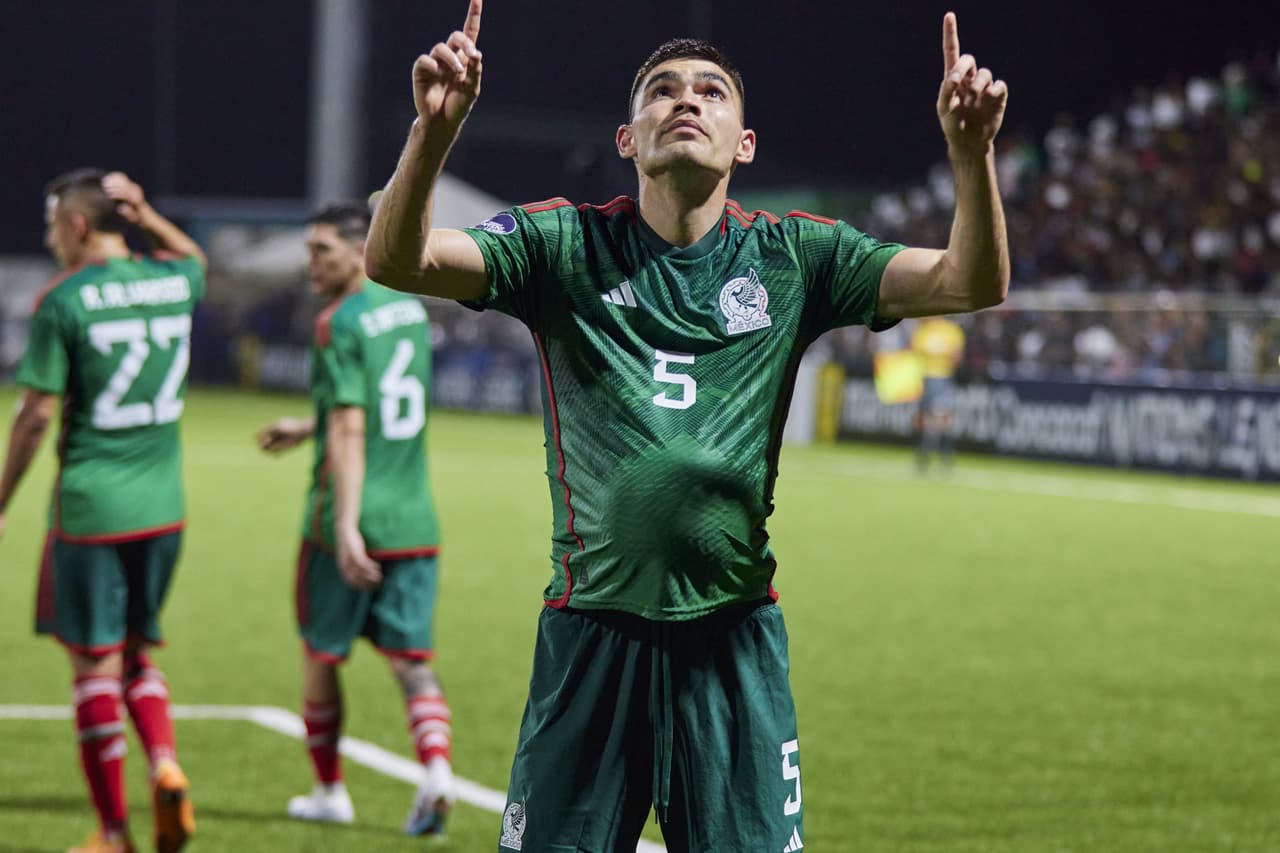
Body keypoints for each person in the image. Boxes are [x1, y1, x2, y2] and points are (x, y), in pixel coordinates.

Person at [367, 4, 1009, 849]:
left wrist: (971, 154)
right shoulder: (564, 245)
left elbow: (970, 282)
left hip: (731, 642)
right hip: (592, 634)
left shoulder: (796, 256)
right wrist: (433, 134)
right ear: (627, 140)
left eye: (711, 92)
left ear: (745, 144)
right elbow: (398, 260)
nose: (686, 101)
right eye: (662, 90)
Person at [0, 170, 205, 853]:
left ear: (78, 225)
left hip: (92, 510)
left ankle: (114, 833)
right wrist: (147, 213)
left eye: (52, 224)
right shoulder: (172, 280)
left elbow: (35, 415)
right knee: (138, 650)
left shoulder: (64, 299)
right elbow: (196, 260)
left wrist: (2, 498)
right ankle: (165, 764)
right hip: (165, 507)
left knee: (93, 667)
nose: (49, 238)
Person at [256, 202, 455, 835]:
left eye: (322, 250)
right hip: (413, 520)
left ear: (358, 248)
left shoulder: (338, 321)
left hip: (345, 518)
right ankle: (438, 772)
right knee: (410, 659)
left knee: (321, 653)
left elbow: (349, 426)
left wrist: (344, 528)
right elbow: (376, 406)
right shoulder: (408, 310)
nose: (310, 262)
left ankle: (328, 791)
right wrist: (307, 424)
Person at [911, 315, 966, 471]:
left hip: (943, 378)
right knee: (924, 418)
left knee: (942, 417)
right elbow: (914, 353)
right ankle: (925, 453)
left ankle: (943, 454)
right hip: (924, 379)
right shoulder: (923, 329)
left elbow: (957, 356)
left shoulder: (951, 330)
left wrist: (943, 356)